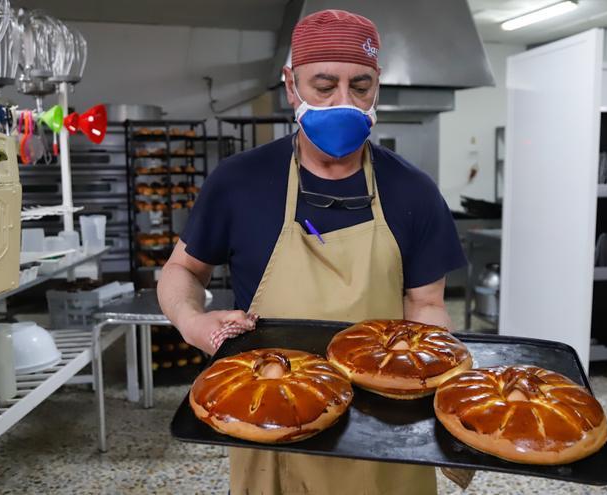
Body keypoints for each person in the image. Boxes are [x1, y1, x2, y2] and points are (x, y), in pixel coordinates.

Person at [158, 9, 466, 494]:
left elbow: (425, 304)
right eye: (324, 86)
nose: (344, 102)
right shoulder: (239, 182)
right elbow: (182, 270)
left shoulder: (413, 191)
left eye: (360, 86)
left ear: (378, 84)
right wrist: (192, 322)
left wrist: (438, 394)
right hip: (272, 423)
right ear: (290, 85)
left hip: (385, 433)